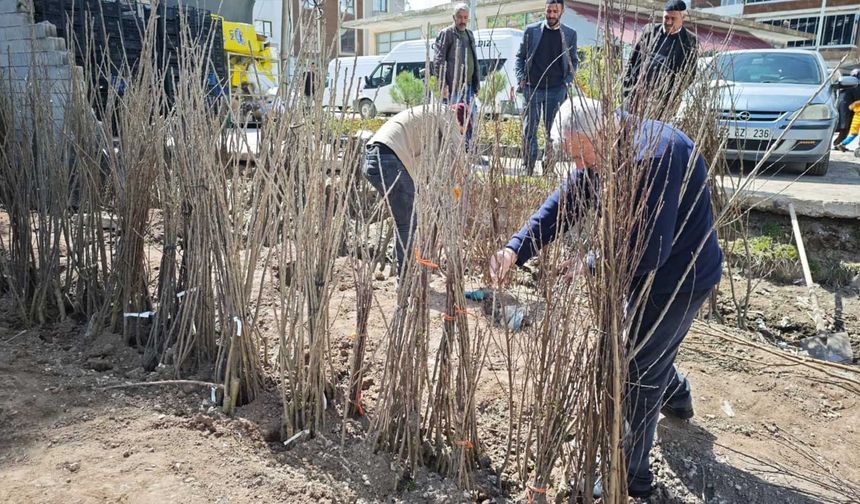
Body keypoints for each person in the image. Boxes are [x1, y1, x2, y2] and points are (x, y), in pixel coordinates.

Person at [489, 98, 723, 500]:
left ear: (600, 133)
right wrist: (515, 248)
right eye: (573, 158)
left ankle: (633, 478)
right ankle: (679, 399)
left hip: (681, 277)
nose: (579, 167)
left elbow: (652, 247)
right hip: (643, 274)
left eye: (581, 156)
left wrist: (590, 262)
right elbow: (565, 200)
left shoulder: (654, 156)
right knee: (647, 349)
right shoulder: (602, 152)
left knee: (638, 371)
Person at [363, 104, 468, 276]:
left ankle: (401, 273)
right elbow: (458, 156)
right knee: (408, 223)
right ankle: (405, 280)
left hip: (373, 157)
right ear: (461, 120)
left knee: (403, 219)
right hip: (391, 159)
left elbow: (427, 165)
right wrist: (463, 184)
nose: (461, 132)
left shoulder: (430, 115)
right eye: (463, 129)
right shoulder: (448, 116)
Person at [515, 0, 579, 176]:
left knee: (553, 131)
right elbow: (520, 57)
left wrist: (568, 81)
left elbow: (574, 60)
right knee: (529, 129)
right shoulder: (531, 31)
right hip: (532, 87)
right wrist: (521, 78)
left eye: (554, 11)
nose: (551, 15)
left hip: (556, 89)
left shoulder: (570, 34)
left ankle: (548, 168)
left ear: (562, 12)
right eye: (548, 11)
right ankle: (527, 167)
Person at [623, 0, 698, 115]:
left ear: (684, 17)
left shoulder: (690, 40)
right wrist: (628, 89)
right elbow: (632, 61)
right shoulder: (649, 31)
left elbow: (689, 75)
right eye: (666, 18)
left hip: (663, 104)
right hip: (636, 97)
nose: (668, 22)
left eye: (673, 19)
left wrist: (666, 95)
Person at [433, 3, 480, 146]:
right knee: (454, 120)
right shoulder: (446, 33)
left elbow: (474, 58)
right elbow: (438, 60)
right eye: (459, 17)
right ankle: (454, 149)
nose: (462, 20)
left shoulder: (469, 34)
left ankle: (469, 148)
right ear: (454, 17)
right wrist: (442, 84)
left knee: (471, 118)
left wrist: (477, 83)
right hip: (453, 87)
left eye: (465, 17)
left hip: (469, 86)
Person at [834, 68, 860, 150]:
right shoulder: (854, 86)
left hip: (846, 108)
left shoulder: (849, 84)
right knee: (845, 127)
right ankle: (838, 144)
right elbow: (857, 98)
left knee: (846, 128)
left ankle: (838, 143)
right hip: (846, 109)